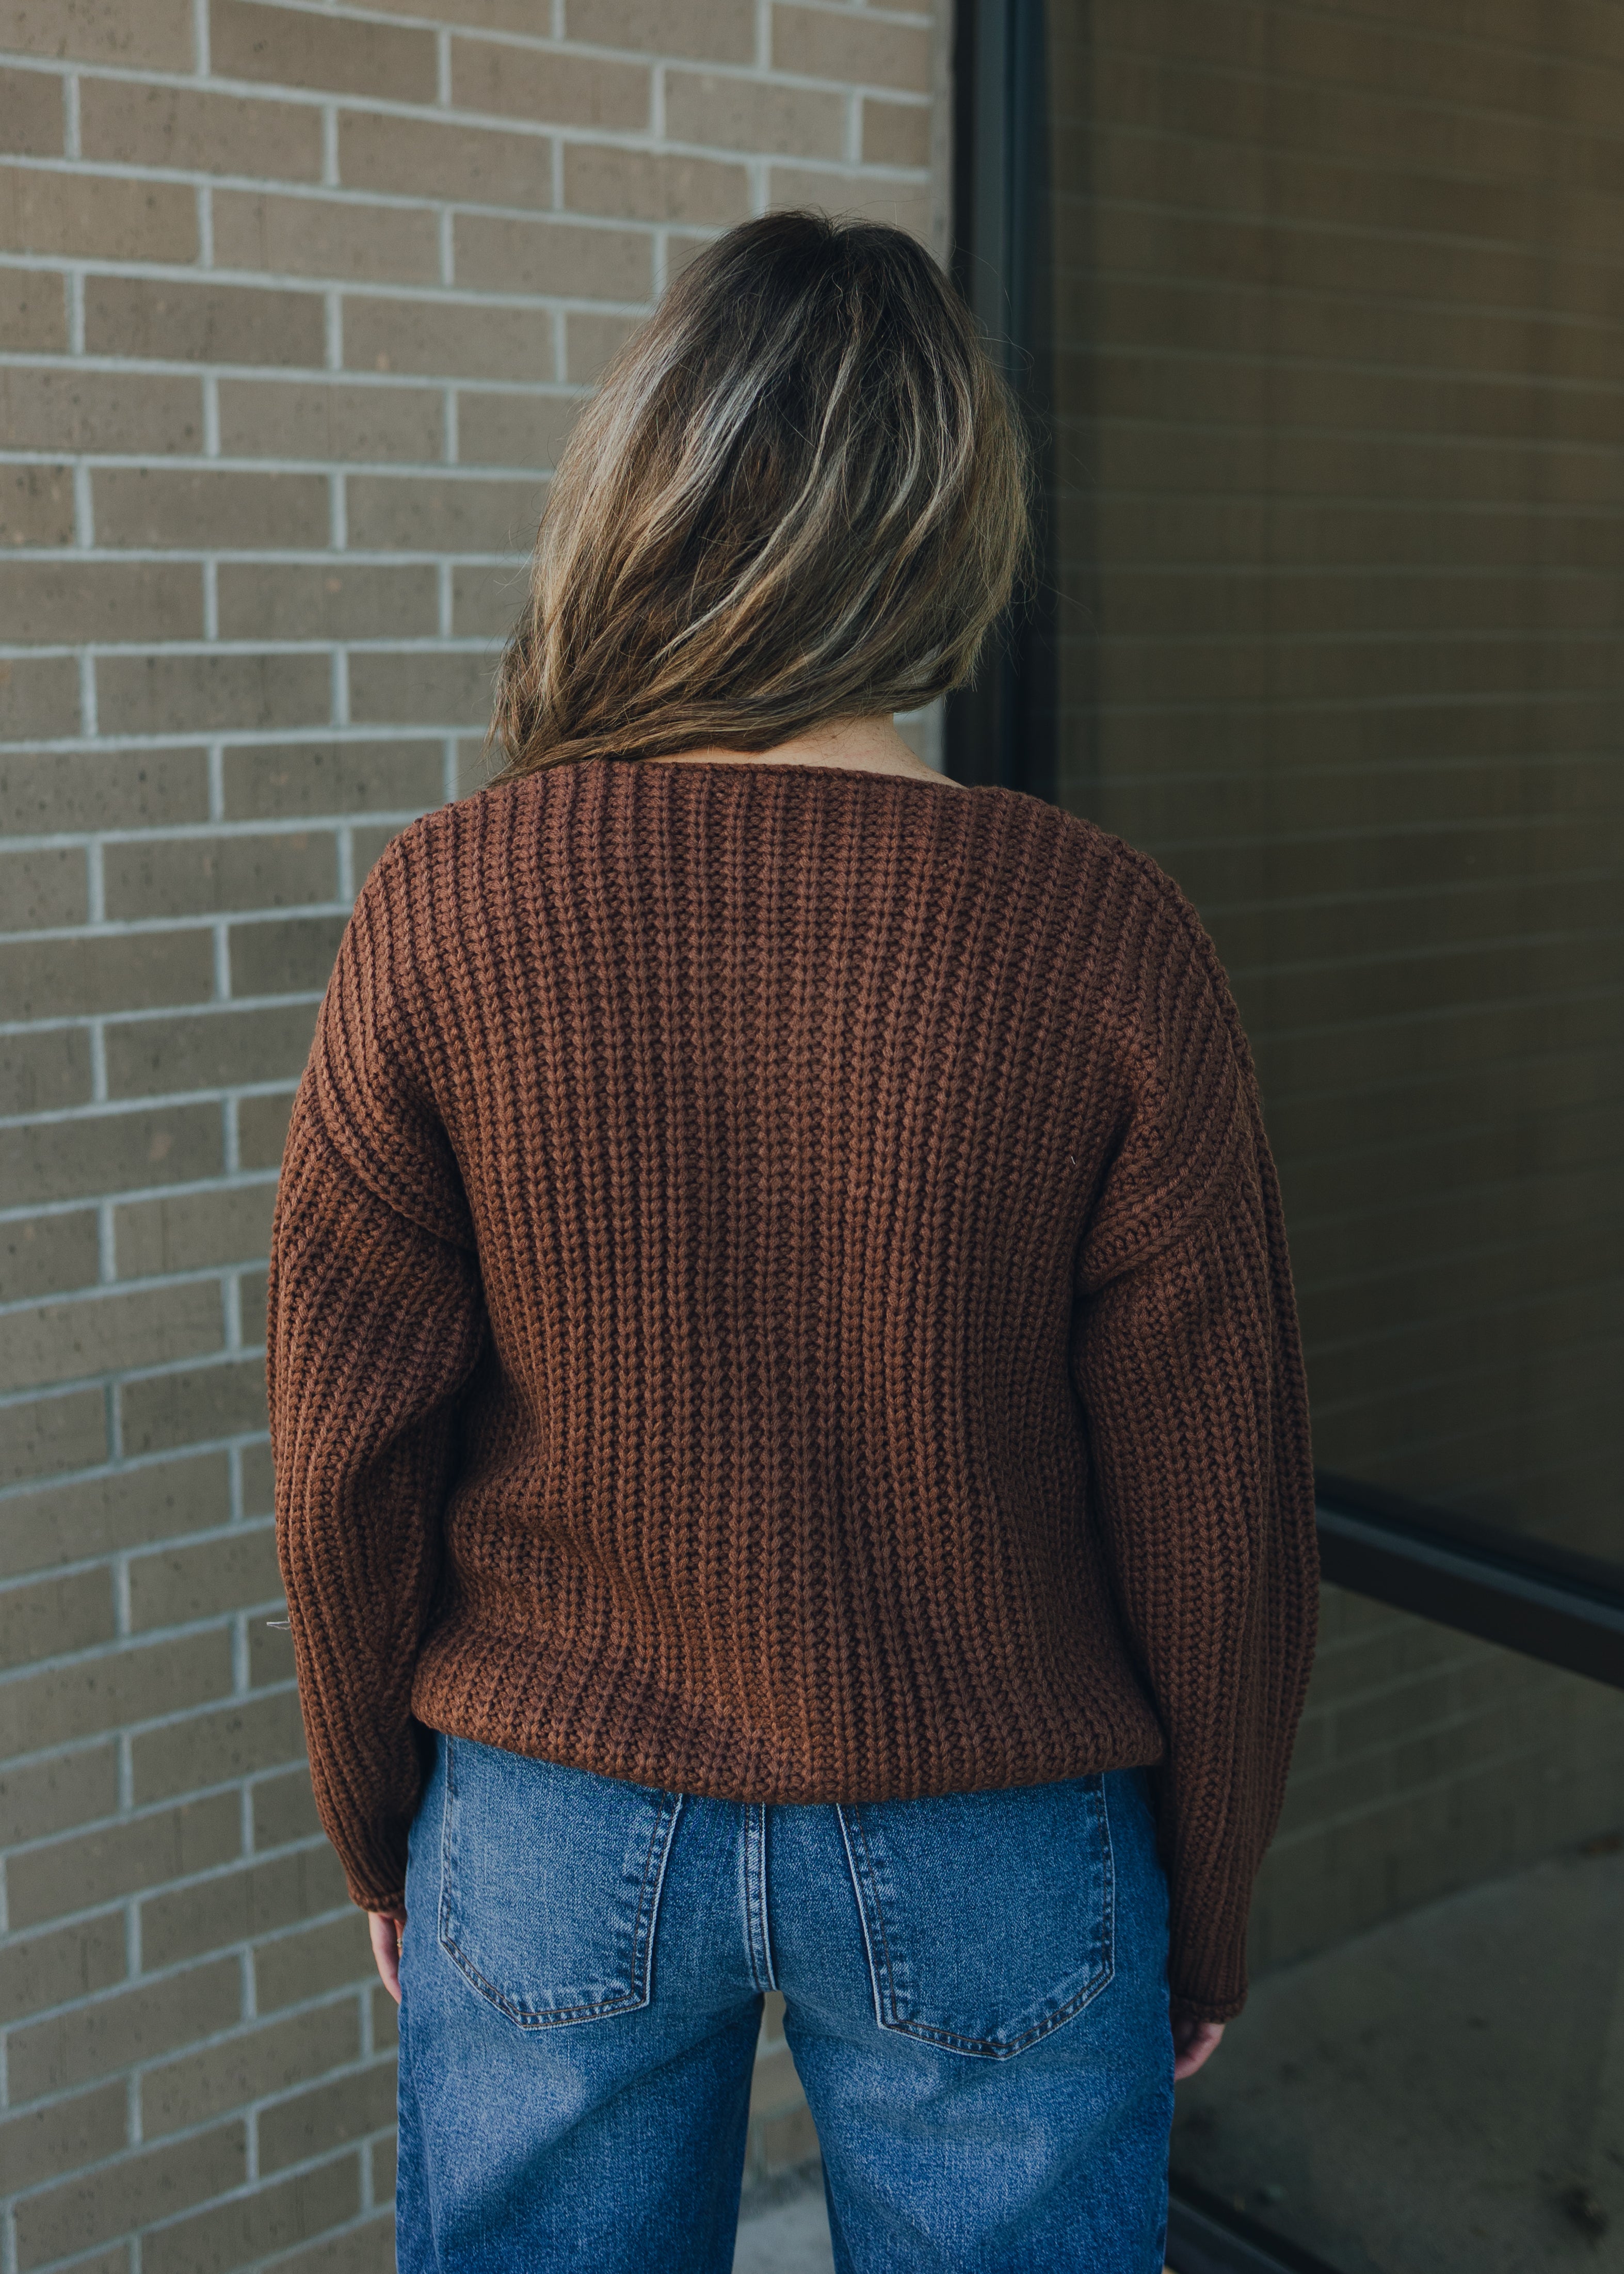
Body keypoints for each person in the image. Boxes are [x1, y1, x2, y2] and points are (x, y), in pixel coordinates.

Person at [267, 210, 1319, 2274]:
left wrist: (380, 1821)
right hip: (1001, 1819)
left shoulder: (450, 903)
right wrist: (1206, 1889)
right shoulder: (1106, 934)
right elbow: (1219, 1501)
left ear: (642, 494)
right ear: (947, 526)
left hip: (551, 1810)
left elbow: (341, 1452)